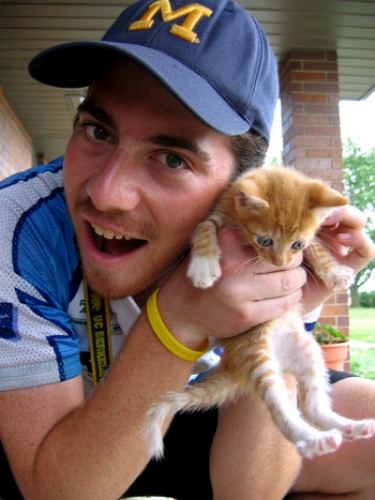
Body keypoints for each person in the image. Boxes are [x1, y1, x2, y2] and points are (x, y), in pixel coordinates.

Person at [0, 0, 374, 498]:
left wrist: (287, 307)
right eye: (97, 131)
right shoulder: (17, 224)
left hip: (188, 402)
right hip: (58, 430)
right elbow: (58, 491)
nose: (107, 193)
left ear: (238, 187)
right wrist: (176, 318)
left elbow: (251, 489)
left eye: (172, 159)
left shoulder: (252, 227)